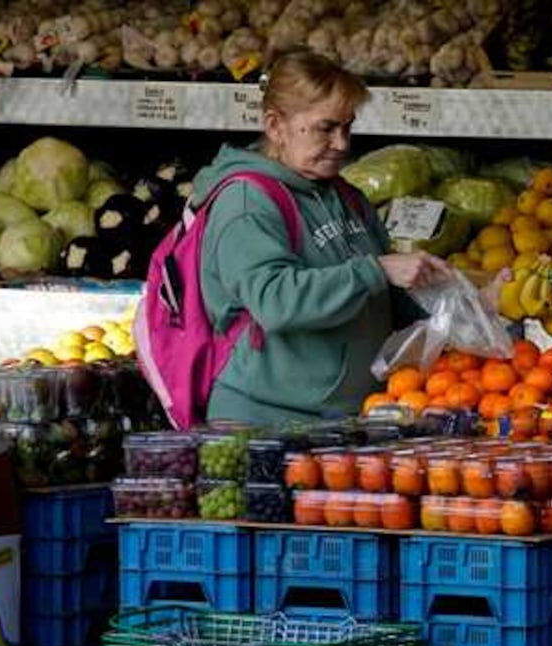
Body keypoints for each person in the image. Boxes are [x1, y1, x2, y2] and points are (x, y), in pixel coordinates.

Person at [190, 50, 451, 425]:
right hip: (265, 423)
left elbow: (385, 299)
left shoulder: (346, 197)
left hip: (347, 419)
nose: (342, 143)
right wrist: (375, 269)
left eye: (347, 126)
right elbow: (275, 301)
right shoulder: (247, 203)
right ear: (275, 126)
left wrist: (456, 304)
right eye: (326, 128)